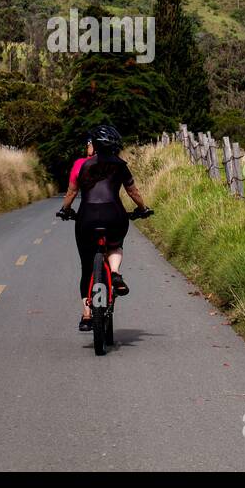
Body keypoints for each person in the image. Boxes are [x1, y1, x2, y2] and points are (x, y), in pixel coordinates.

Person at [57, 124, 152, 332]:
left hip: (87, 217)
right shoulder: (120, 165)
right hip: (114, 215)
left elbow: (71, 193)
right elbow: (133, 191)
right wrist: (143, 208)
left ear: (96, 146)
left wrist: (65, 210)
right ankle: (115, 272)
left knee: (86, 266)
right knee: (115, 244)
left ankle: (87, 315)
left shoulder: (83, 166)